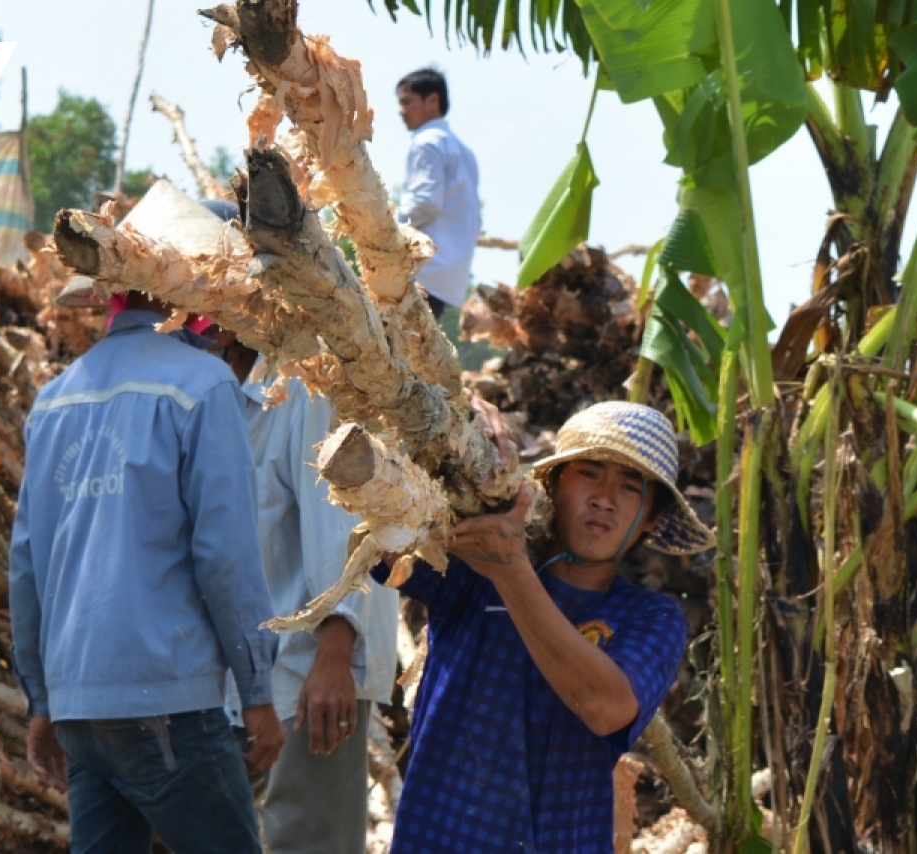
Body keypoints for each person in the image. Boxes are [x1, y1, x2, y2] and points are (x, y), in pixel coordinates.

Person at [10, 180, 284, 854]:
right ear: (197, 294)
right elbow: (224, 556)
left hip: (81, 708)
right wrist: (257, 693)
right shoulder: (203, 387)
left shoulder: (53, 401)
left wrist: (43, 700)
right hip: (166, 704)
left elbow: (26, 568)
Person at [374, 401, 715, 853]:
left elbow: (604, 705)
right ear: (553, 483)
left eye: (630, 487)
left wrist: (512, 571)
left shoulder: (651, 618)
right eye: (589, 473)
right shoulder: (473, 568)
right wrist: (451, 417)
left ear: (650, 519)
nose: (604, 498)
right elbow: (383, 544)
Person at [211, 323, 400, 854]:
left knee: (308, 839)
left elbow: (343, 528)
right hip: (233, 670)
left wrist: (335, 654)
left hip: (312, 669)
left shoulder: (307, 380)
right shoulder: (211, 389)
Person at [396, 68, 481, 317]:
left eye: (407, 102)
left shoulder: (427, 142)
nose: (402, 111)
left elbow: (425, 202)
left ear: (433, 100)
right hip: (447, 276)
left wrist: (382, 229)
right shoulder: (464, 151)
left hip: (423, 271)